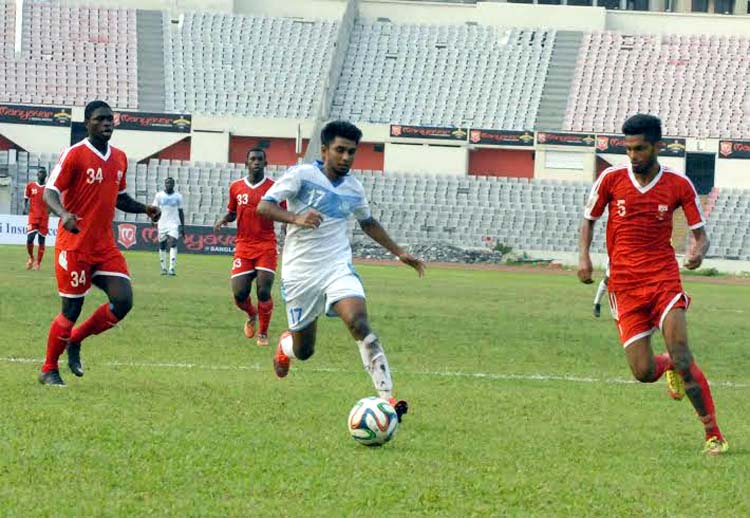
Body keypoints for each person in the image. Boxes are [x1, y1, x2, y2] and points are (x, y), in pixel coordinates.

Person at [578, 113, 727, 455]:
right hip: (625, 287)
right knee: (644, 372)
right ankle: (667, 365)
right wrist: (584, 258)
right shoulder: (610, 179)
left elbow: (700, 235)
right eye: (628, 149)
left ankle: (713, 434)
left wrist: (698, 251)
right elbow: (588, 221)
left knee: (684, 354)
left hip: (663, 281)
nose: (634, 156)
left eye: (641, 148)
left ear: (657, 146)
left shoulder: (679, 184)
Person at [257, 121, 425, 421]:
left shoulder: (354, 188)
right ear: (324, 150)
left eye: (352, 152)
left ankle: (387, 401)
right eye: (340, 150)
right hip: (300, 274)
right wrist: (296, 217)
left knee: (359, 322)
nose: (346, 157)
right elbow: (264, 206)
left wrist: (400, 252)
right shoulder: (302, 175)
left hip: (337, 267)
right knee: (304, 350)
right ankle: (285, 347)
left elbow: (367, 223)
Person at [39, 100, 161, 386]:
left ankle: (76, 340)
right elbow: (49, 193)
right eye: (100, 119)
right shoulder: (75, 154)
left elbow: (119, 197)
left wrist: (144, 208)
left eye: (110, 119)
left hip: (104, 245)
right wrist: (64, 213)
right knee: (70, 311)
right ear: (87, 123)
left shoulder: (119, 158)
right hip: (75, 245)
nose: (107, 123)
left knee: (123, 301)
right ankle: (48, 369)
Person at [214, 148, 281, 346]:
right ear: (246, 163)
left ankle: (263, 332)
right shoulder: (236, 187)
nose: (256, 162)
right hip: (243, 245)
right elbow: (233, 212)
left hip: (266, 244)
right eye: (252, 159)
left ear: (266, 163)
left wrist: (287, 226)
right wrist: (224, 220)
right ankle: (252, 314)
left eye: (260, 159)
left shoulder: (275, 188)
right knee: (239, 293)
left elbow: (281, 212)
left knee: (263, 291)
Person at [153, 177, 184, 276]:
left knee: (173, 242)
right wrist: (153, 220)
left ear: (174, 184)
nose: (169, 184)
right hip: (162, 223)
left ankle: (172, 268)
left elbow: (181, 211)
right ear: (164, 184)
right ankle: (163, 268)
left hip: (173, 223)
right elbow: (154, 209)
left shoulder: (178, 196)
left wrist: (182, 226)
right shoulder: (159, 195)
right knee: (162, 245)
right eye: (167, 183)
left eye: (170, 183)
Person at [23, 167, 49, 270]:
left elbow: (52, 201)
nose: (41, 174)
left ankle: (38, 262)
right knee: (30, 238)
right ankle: (31, 257)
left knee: (41, 241)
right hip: (33, 216)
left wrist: (50, 210)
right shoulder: (31, 186)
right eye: (40, 173)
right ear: (37, 174)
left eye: (43, 173)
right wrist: (25, 208)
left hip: (44, 218)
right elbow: (26, 198)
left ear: (46, 175)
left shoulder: (48, 188)